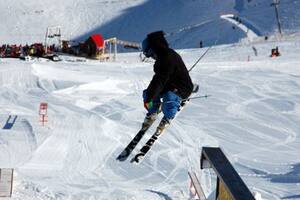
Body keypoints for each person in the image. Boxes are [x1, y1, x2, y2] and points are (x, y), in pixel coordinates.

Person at [141, 31, 194, 132]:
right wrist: (149, 96)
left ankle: (168, 116)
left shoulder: (168, 57)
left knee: (168, 98)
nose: (152, 57)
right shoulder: (162, 58)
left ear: (154, 49)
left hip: (183, 87)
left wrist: (150, 98)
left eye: (151, 54)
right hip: (169, 84)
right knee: (148, 94)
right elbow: (157, 80)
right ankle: (153, 112)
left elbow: (160, 80)